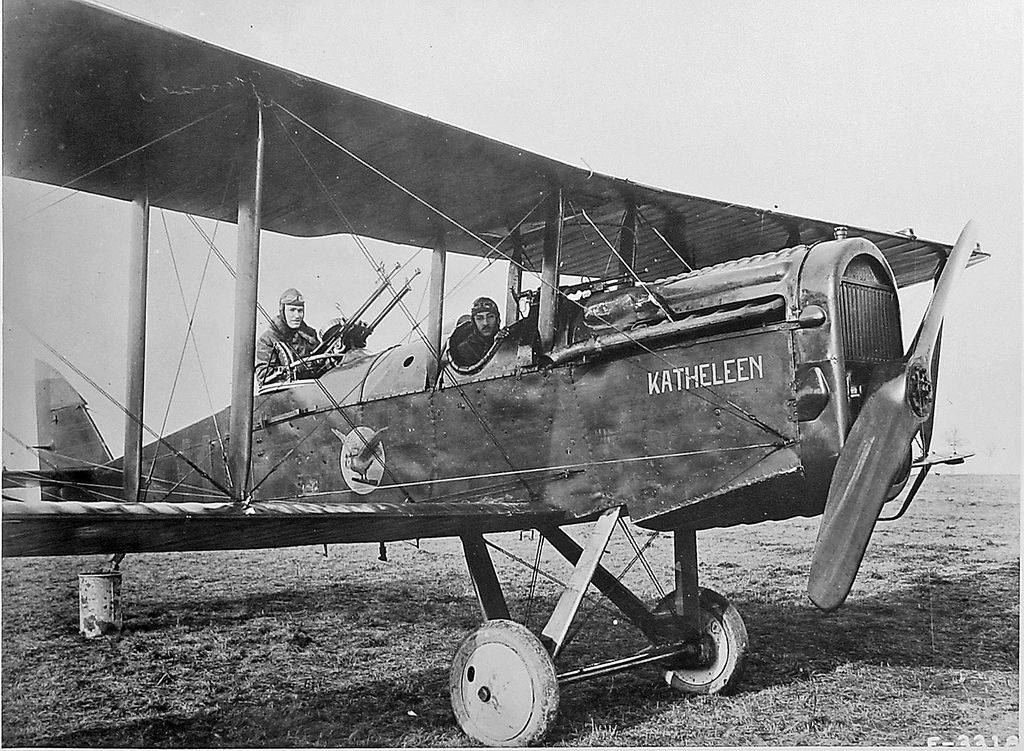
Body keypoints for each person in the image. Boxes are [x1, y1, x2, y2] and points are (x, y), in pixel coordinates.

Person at [255, 288, 370, 386]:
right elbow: (264, 378)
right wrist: (297, 371)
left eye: (300, 311)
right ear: (282, 311)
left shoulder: (310, 334)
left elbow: (321, 366)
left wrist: (336, 353)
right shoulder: (267, 340)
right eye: (292, 310)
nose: (296, 315)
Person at [451, 296, 502, 367]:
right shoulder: (466, 348)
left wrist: (501, 342)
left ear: (497, 319)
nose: (485, 323)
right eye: (479, 318)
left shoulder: (506, 341)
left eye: (490, 317)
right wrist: (495, 345)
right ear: (474, 322)